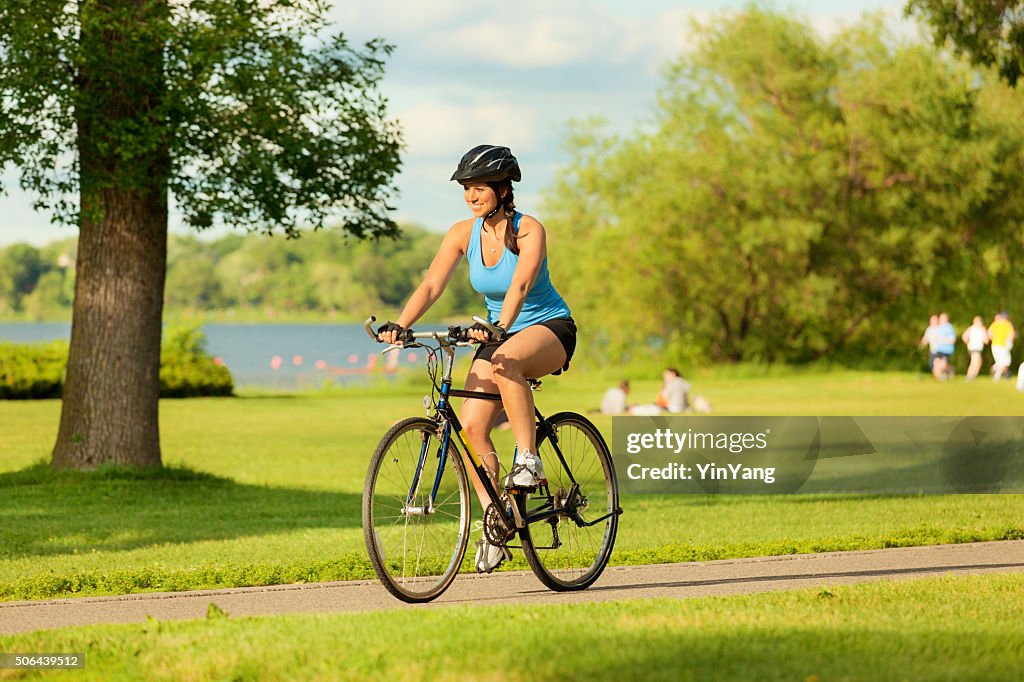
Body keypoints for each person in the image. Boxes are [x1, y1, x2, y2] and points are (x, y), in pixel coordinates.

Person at [375, 144, 576, 574]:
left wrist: (499, 327)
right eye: (466, 188)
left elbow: (520, 287)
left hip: (546, 327)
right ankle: (496, 519)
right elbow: (432, 284)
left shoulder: (528, 230)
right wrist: (402, 326)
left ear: (504, 189)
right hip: (495, 333)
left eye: (479, 187)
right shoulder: (461, 234)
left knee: (506, 362)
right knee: (469, 427)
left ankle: (528, 459)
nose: (471, 195)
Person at [988, 312, 1015, 381]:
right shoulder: (1007, 324)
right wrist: (1009, 343)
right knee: (1005, 361)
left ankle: (994, 368)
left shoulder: (994, 324)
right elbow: (1011, 335)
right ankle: (997, 376)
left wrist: (994, 339)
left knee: (1000, 361)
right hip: (1003, 345)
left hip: (994, 345)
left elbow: (989, 334)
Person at [961, 316, 989, 381]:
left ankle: (974, 375)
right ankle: (969, 376)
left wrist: (968, 343)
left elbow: (964, 337)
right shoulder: (979, 329)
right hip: (975, 348)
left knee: (979, 362)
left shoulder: (971, 328)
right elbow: (986, 340)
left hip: (974, 348)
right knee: (974, 362)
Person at [933, 312, 956, 380]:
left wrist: (943, 339)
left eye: (943, 317)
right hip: (939, 349)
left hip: (947, 350)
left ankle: (949, 369)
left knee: (943, 365)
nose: (941, 319)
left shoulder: (949, 327)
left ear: (946, 319)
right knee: (936, 364)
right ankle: (941, 378)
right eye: (941, 317)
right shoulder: (938, 327)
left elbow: (953, 340)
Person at [919, 314, 941, 378]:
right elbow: (926, 338)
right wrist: (922, 344)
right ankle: (939, 377)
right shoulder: (929, 329)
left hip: (939, 349)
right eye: (932, 320)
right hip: (932, 350)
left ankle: (940, 377)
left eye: (934, 320)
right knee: (931, 364)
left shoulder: (940, 329)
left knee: (937, 364)